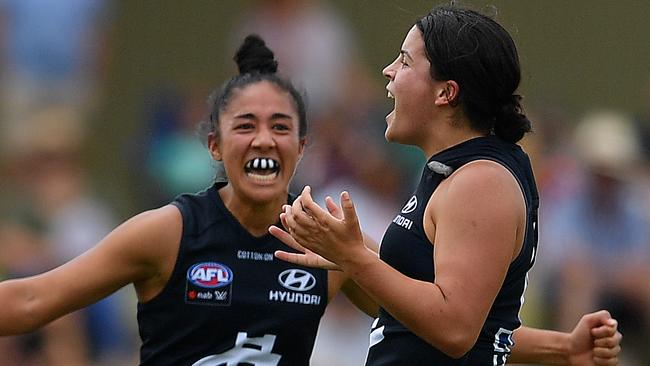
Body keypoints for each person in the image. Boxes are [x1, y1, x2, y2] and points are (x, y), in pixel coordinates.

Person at [0, 33, 619, 366]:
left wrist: (561, 348)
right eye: (244, 126)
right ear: (215, 146)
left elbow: (442, 326)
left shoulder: (324, 243)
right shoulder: (167, 232)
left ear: (303, 147)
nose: (263, 138)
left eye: (280, 126)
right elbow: (31, 298)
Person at [269, 5, 622, 366]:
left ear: (446, 93)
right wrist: (562, 349)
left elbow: (454, 330)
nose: (388, 72)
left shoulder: (482, 182)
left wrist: (353, 257)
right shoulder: (454, 172)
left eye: (405, 62)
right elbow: (429, 317)